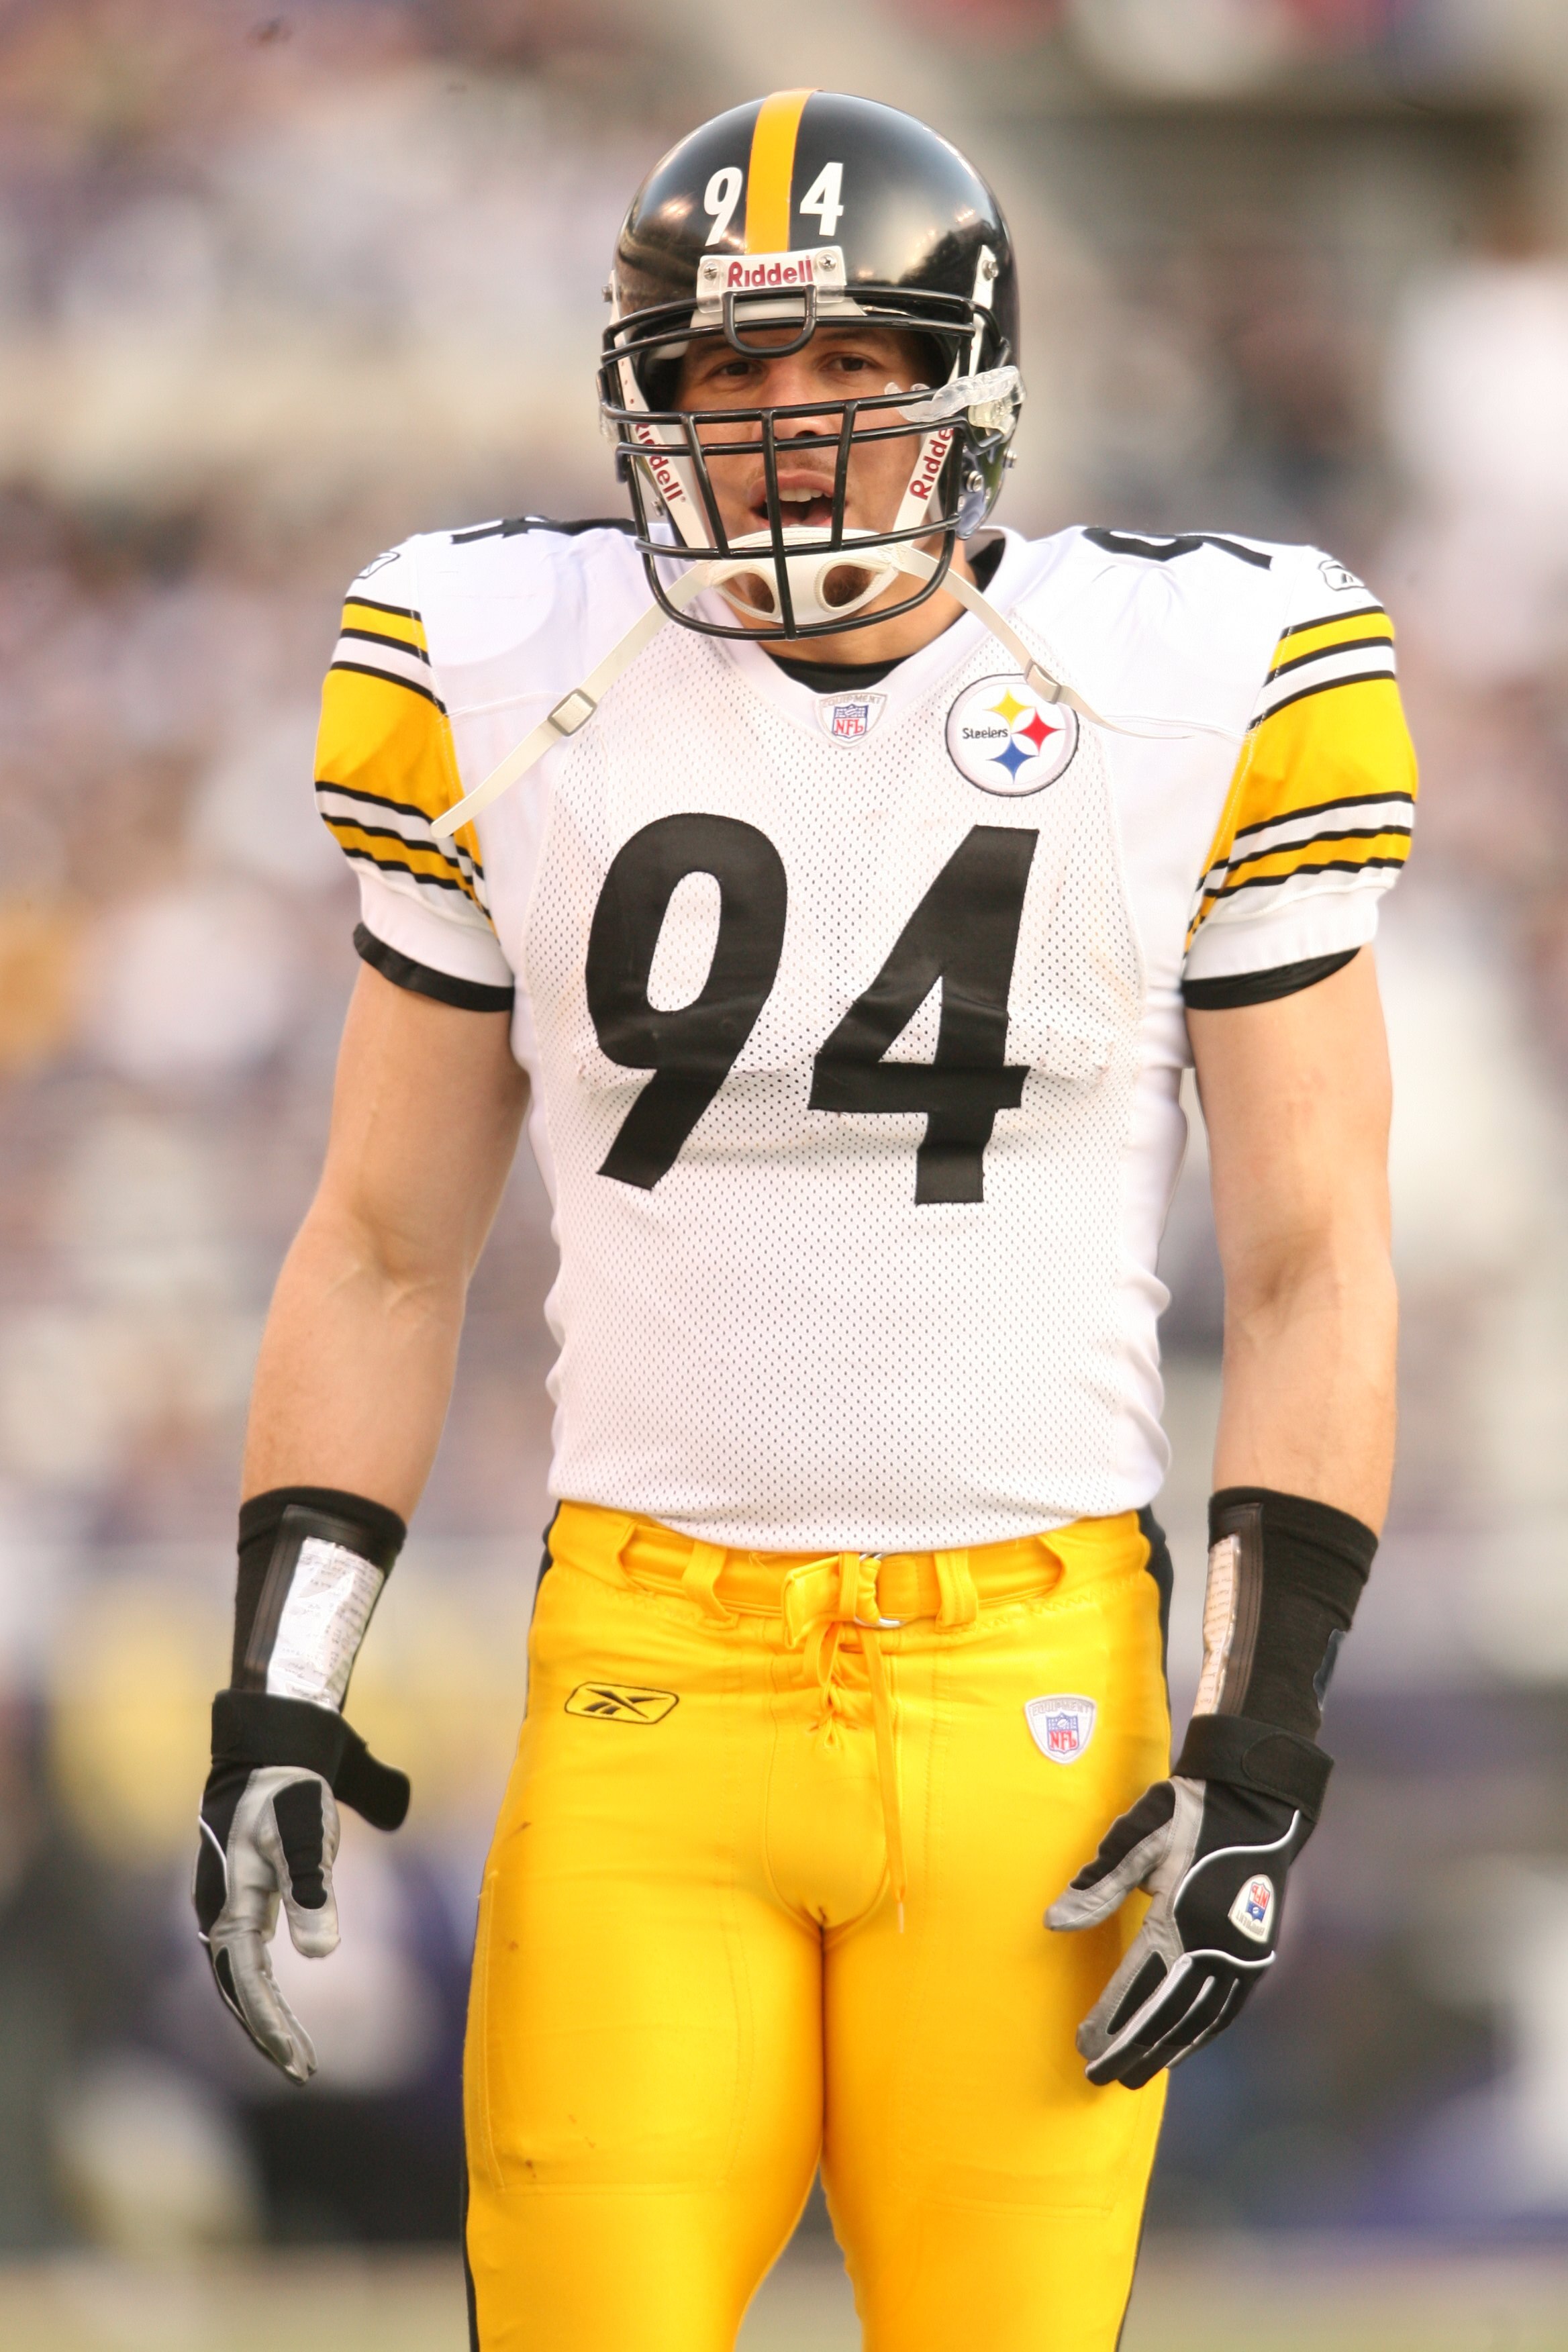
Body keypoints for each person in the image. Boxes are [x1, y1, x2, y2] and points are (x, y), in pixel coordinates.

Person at [192, 89, 1414, 2352]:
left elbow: (1314, 1256)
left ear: (967, 386)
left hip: (1035, 1678)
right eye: (725, 378)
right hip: (653, 1680)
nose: (780, 433)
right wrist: (280, 1685)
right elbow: (381, 1240)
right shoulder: (494, 656)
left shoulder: (1194, 677)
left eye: (843, 370)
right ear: (642, 399)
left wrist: (1258, 1744)